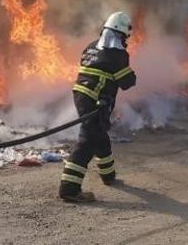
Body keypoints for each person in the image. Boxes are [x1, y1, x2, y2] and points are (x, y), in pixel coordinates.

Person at [59, 11, 137, 203]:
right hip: (94, 101)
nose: (125, 39)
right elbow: (127, 82)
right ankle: (69, 189)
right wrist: (130, 74)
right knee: (87, 141)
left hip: (81, 95)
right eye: (124, 36)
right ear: (120, 34)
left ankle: (108, 175)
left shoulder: (91, 47)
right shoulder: (118, 55)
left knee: (100, 134)